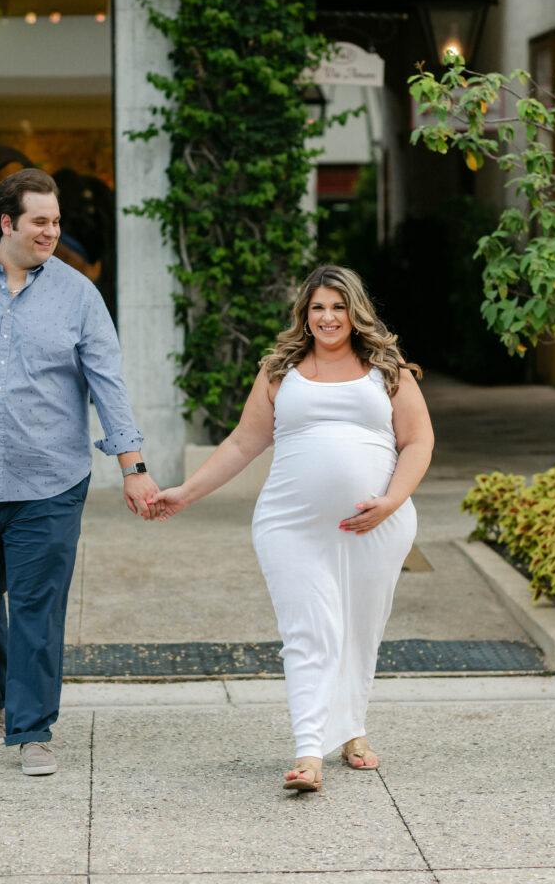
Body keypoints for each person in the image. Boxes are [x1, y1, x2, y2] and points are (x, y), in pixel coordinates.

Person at [0, 168, 160, 776]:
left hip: (50, 479)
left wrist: (133, 466)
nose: (52, 232)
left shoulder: (79, 295)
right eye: (40, 221)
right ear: (7, 223)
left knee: (37, 605)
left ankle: (32, 728)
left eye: (56, 221)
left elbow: (108, 385)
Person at [151, 265, 434, 792]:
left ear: (355, 311)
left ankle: (352, 731)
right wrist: (185, 493)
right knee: (309, 632)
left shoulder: (387, 367)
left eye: (338, 306)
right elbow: (242, 443)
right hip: (291, 526)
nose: (328, 317)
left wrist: (391, 502)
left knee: (360, 629)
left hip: (377, 525)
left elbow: (418, 441)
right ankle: (309, 753)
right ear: (304, 314)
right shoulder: (280, 370)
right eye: (318, 307)